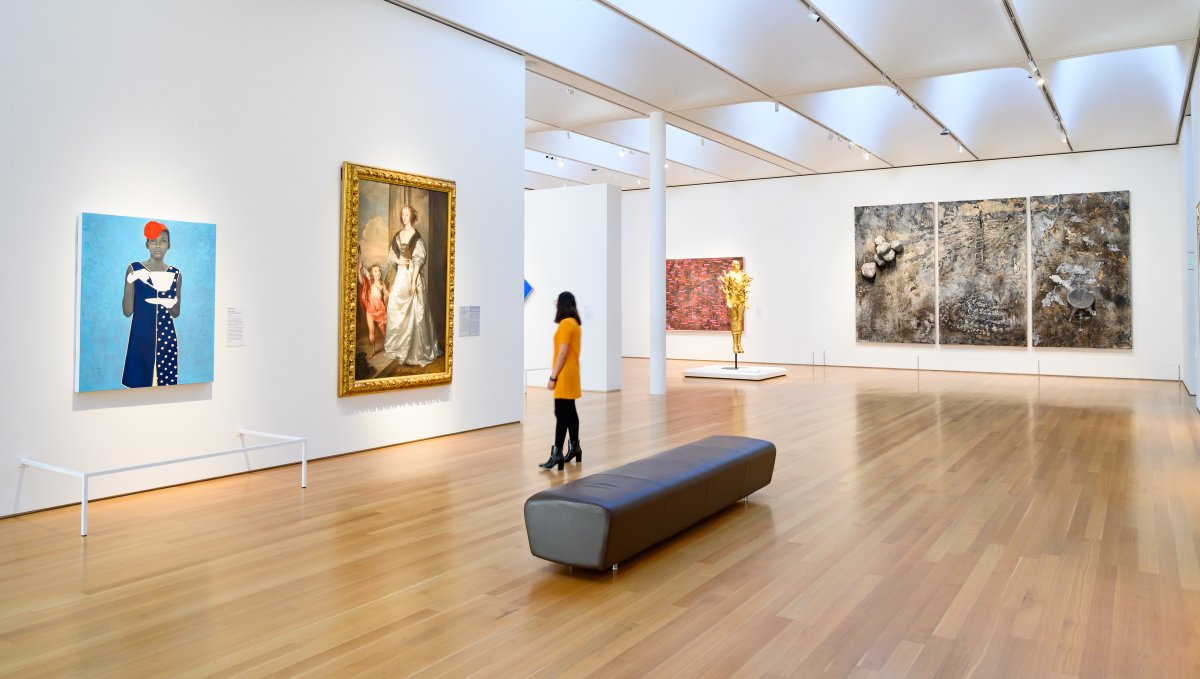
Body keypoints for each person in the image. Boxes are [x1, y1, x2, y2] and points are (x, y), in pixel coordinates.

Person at [121, 220, 182, 388]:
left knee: (165, 389)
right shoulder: (134, 269)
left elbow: (176, 312)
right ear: (147, 244)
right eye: (153, 241)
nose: (158, 245)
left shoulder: (175, 274)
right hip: (141, 338)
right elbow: (127, 311)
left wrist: (167, 302)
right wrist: (130, 281)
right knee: (138, 387)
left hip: (166, 338)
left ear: (169, 245)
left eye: (162, 241)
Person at [384, 205, 441, 366]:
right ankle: (398, 347)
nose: (404, 217)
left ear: (412, 216)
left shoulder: (416, 237)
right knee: (395, 308)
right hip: (401, 275)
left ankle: (416, 350)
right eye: (402, 214)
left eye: (407, 214)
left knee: (416, 312)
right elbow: (391, 255)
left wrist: (414, 281)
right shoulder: (398, 235)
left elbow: (418, 261)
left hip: (412, 276)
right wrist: (399, 261)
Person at [539, 291, 583, 471]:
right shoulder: (575, 323)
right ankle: (574, 447)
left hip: (563, 374)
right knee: (570, 412)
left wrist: (553, 377)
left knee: (561, 413)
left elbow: (563, 352)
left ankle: (557, 453)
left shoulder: (565, 324)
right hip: (573, 373)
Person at [718, 260, 752, 355]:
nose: (738, 266)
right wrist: (728, 300)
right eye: (736, 264)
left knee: (739, 320)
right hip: (733, 300)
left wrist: (746, 300)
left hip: (741, 299)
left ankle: (739, 344)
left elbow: (746, 287)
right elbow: (727, 290)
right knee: (734, 320)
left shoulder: (742, 275)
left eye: (738, 264)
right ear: (732, 265)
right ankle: (734, 345)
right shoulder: (729, 275)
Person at [364, 264, 389, 359]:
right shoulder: (370, 283)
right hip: (370, 309)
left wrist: (392, 291)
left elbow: (387, 294)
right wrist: (359, 269)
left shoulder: (382, 284)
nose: (378, 272)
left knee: (383, 331)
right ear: (372, 274)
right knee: (371, 330)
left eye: (379, 270)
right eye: (375, 271)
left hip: (380, 311)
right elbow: (362, 280)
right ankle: (372, 350)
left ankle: (389, 347)